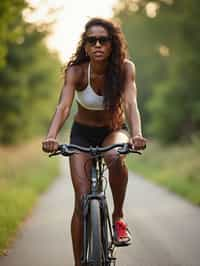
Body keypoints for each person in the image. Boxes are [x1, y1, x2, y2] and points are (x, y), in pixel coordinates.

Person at [42, 17, 146, 266]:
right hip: (82, 134)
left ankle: (118, 217)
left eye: (104, 40)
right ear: (85, 46)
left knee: (114, 157)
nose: (98, 44)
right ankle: (79, 263)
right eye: (92, 40)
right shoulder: (76, 71)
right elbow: (64, 105)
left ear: (112, 44)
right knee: (81, 201)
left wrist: (137, 134)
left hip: (113, 131)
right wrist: (51, 136)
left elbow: (131, 103)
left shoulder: (124, 69)